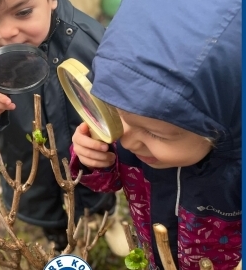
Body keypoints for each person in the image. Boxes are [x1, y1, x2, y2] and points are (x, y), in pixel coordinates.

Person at [0, 0, 129, 256]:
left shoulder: (86, 37)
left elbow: (120, 92)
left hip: (86, 153)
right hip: (25, 159)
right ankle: (60, 241)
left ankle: (104, 220)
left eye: (23, 12)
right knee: (44, 207)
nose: (8, 32)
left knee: (94, 194)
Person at [70, 0, 241, 269]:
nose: (125, 138)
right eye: (116, 112)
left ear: (224, 125)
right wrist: (94, 159)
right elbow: (107, 182)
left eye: (155, 133)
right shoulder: (135, 130)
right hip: (155, 251)